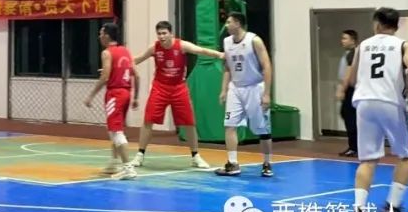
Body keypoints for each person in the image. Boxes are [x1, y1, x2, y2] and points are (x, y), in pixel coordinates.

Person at [338, 8, 408, 212]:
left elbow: (352, 78)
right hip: (390, 103)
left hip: (364, 103)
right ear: (396, 25)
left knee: (367, 160)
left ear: (377, 24)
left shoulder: (362, 46)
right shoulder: (404, 45)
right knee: (407, 155)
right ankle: (392, 206)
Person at [129, 21, 222, 170]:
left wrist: (220, 55)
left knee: (189, 122)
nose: (161, 36)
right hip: (160, 87)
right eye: (159, 34)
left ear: (171, 34)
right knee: (148, 119)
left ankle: (195, 156)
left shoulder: (182, 45)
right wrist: (116, 66)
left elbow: (201, 50)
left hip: (179, 88)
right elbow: (137, 59)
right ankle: (139, 155)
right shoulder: (154, 48)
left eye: (164, 33)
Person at [215, 12, 275, 178]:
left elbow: (267, 66)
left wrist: (267, 93)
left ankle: (267, 163)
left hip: (255, 87)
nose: (226, 25)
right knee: (229, 124)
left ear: (238, 23)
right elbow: (227, 67)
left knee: (263, 129)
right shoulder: (227, 41)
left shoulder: (254, 40)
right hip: (236, 88)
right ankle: (233, 163)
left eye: (229, 22)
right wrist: (224, 89)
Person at [84, 23, 140, 180]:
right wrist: (136, 97)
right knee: (115, 129)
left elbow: (105, 77)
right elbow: (137, 75)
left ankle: (128, 168)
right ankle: (114, 163)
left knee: (116, 131)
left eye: (101, 33)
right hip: (126, 93)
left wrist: (91, 95)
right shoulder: (125, 51)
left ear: (107, 36)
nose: (99, 36)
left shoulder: (107, 53)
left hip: (115, 93)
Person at [337, 29, 359, 157]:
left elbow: (348, 73)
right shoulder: (348, 54)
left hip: (352, 89)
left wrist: (342, 89)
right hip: (350, 89)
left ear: (353, 40)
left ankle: (354, 147)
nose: (342, 41)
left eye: (345, 38)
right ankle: (353, 146)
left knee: (350, 117)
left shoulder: (353, 54)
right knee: (347, 115)